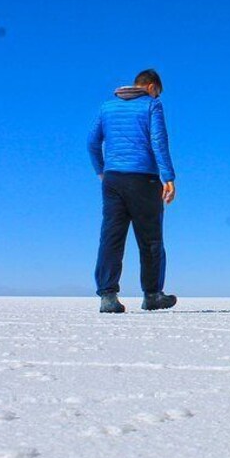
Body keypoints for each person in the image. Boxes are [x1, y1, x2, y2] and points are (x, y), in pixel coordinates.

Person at [87, 69, 178, 313]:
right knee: (150, 239)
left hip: (113, 179)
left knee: (111, 236)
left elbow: (92, 142)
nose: (157, 96)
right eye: (157, 92)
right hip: (144, 180)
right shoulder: (152, 105)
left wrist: (102, 172)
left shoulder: (107, 107)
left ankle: (107, 296)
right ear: (151, 87)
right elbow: (159, 141)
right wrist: (168, 176)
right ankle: (152, 295)